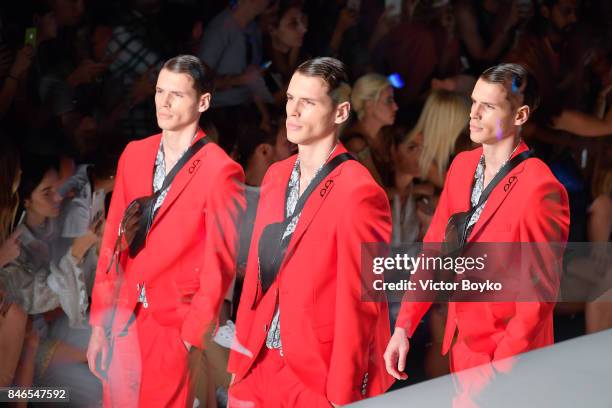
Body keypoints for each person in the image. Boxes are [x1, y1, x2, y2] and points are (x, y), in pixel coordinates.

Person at [384, 63, 570, 404]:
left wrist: (498, 371)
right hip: (463, 346)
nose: (474, 114)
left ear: (520, 115)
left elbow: (538, 298)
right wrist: (403, 326)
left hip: (512, 363)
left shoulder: (540, 188)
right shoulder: (462, 167)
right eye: (473, 103)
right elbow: (435, 251)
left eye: (489, 106)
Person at [228, 57, 394, 406]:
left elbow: (361, 300)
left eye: (309, 102)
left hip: (315, 374)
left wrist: (341, 391)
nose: (294, 110)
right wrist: (239, 360)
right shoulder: (276, 175)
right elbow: (260, 274)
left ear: (340, 112)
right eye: (290, 99)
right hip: (256, 360)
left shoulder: (359, 192)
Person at [86, 55, 245, 407]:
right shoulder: (134, 154)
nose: (164, 102)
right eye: (160, 91)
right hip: (124, 318)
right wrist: (100, 322)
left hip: (173, 324)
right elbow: (114, 240)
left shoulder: (221, 170)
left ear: (203, 101)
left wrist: (189, 337)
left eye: (177, 94)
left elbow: (221, 262)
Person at [343, 73, 398, 187]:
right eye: (389, 100)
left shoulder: (386, 137)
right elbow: (378, 191)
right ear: (369, 104)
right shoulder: (356, 143)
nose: (395, 107)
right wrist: (416, 190)